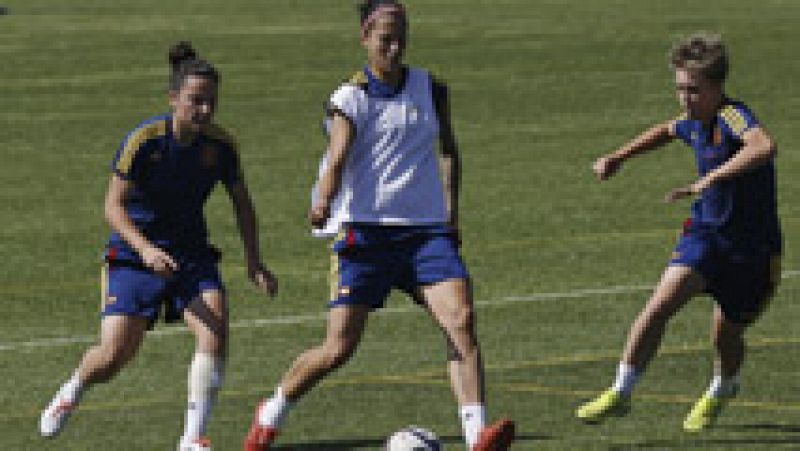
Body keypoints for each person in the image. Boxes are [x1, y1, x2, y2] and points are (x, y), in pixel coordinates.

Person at [243, 2, 514, 450]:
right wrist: (325, 199)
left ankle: (475, 436)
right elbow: (338, 153)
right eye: (385, 37)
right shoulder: (350, 97)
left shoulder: (431, 87)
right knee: (338, 349)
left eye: (401, 36)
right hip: (366, 234)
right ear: (365, 38)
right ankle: (271, 412)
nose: (394, 46)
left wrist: (451, 213)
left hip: (426, 233)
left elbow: (448, 150)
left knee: (461, 321)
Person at [39, 41, 278, 450]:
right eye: (195, 101)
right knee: (115, 354)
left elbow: (242, 203)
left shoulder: (221, 147)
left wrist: (254, 261)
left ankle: (190, 440)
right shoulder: (144, 141)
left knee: (214, 333)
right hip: (135, 255)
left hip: (190, 254)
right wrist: (145, 249)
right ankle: (73, 389)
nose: (204, 111)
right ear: (173, 99)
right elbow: (112, 208)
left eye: (211, 102)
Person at [576, 33, 781, 432]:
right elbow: (667, 130)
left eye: (694, 90)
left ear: (716, 88)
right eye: (680, 89)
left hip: (753, 252)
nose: (685, 98)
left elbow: (764, 146)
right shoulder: (694, 122)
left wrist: (714, 177)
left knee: (726, 336)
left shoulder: (731, 116)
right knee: (660, 304)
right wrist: (619, 157)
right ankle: (620, 391)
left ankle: (723, 387)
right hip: (705, 236)